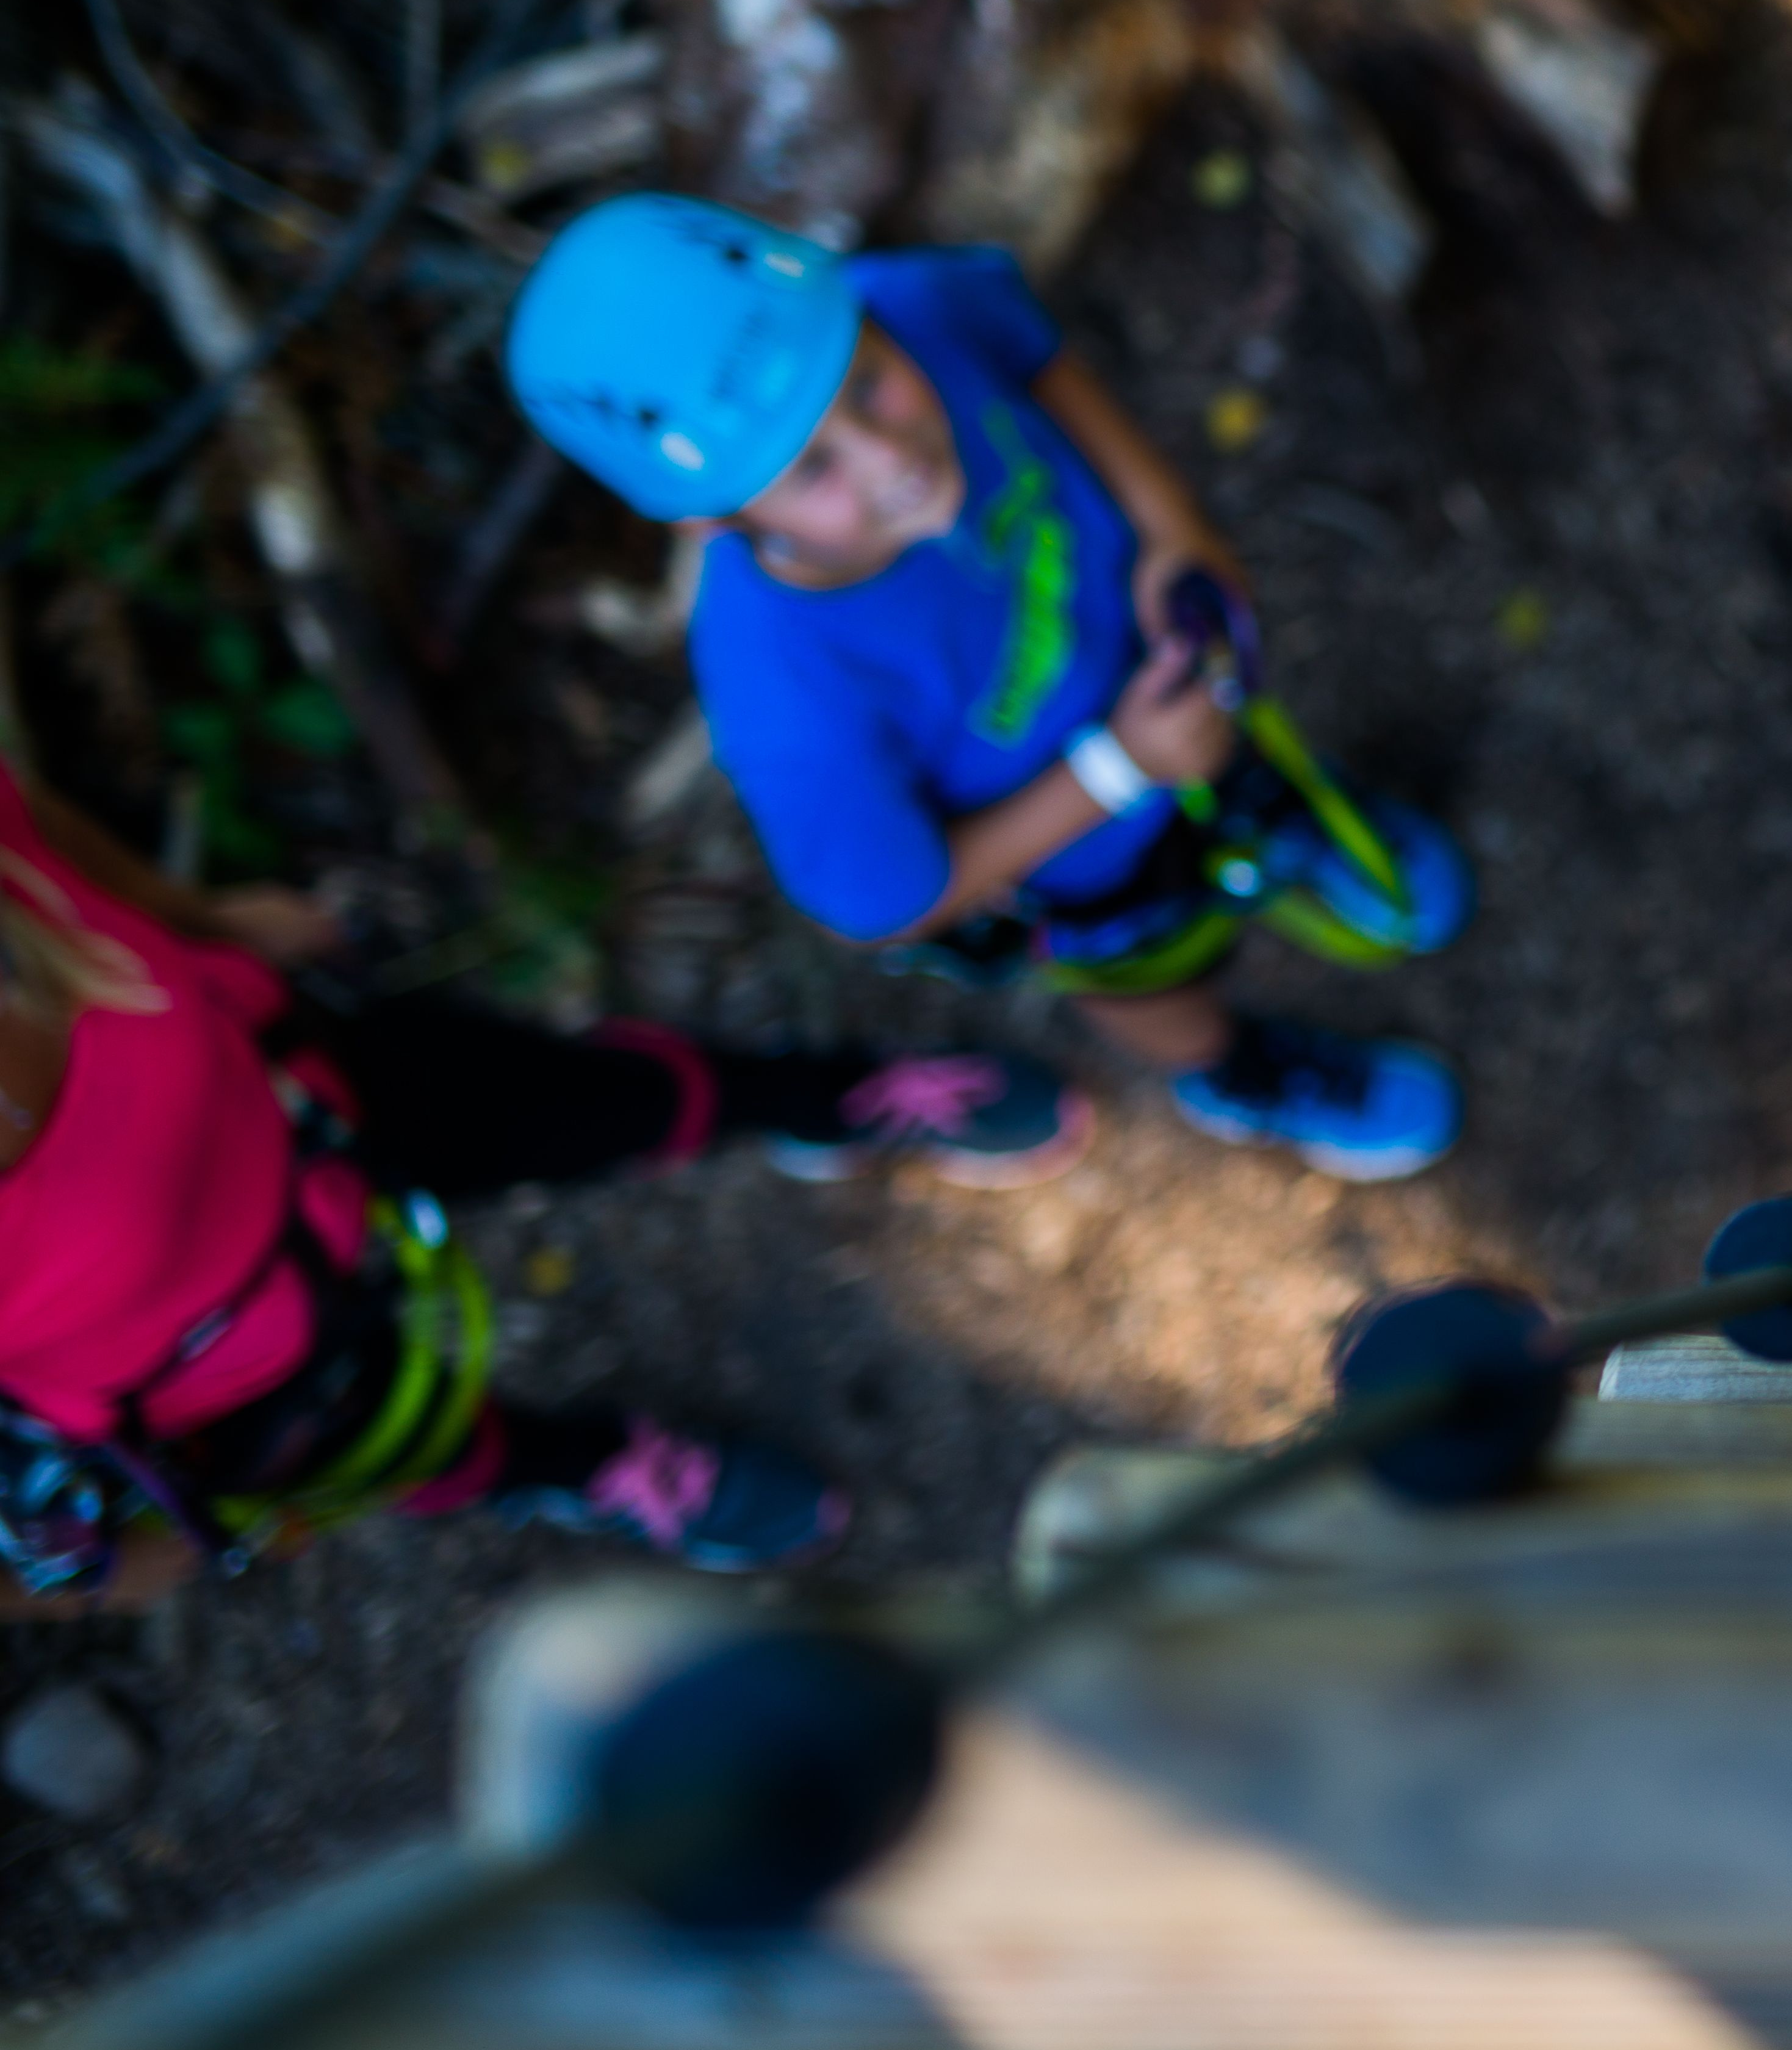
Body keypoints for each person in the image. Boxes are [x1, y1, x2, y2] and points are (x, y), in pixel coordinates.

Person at [505, 198, 1466, 1179]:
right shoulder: (786, 697)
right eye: (814, 469)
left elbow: (1038, 360)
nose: (893, 460)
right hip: (1084, 862)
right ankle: (1238, 1073)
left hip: (1167, 669)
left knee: (1246, 772)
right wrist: (1122, 768)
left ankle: (1303, 838)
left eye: (870, 386)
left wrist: (1173, 529)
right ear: (711, 524)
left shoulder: (906, 301)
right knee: (1146, 976)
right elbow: (891, 899)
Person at [0, 755, 1092, 1606]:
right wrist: (63, 1570)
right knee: (403, 1442)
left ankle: (821, 1102)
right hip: (207, 1371)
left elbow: (31, 820)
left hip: (294, 1076)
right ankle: (585, 1467)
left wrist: (194, 918)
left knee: (584, 1098)